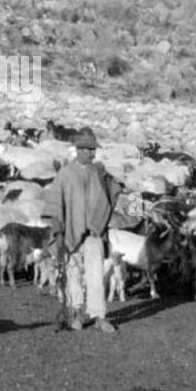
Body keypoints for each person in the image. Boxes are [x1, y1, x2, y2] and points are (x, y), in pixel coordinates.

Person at [43, 127, 120, 333]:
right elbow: (54, 202)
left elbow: (117, 191)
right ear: (77, 149)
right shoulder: (66, 173)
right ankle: (76, 314)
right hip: (71, 232)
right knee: (73, 273)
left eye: (93, 149)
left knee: (96, 275)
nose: (90, 153)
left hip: (94, 232)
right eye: (86, 149)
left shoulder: (99, 173)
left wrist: (138, 209)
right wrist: (58, 231)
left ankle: (99, 316)